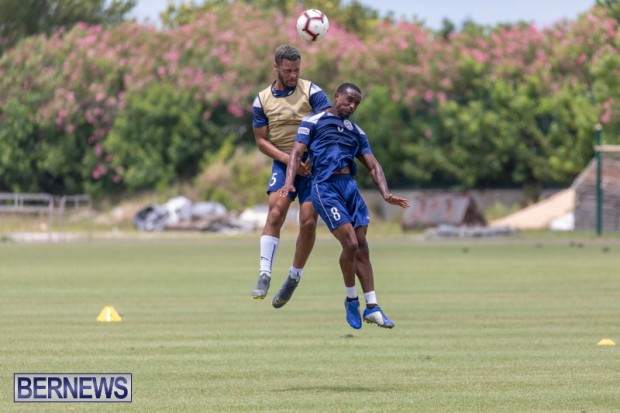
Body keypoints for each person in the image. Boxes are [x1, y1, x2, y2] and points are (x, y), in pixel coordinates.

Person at [278, 83, 410, 329]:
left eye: (356, 103)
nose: (352, 106)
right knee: (350, 243)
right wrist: (288, 183)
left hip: (349, 187)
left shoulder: (356, 131)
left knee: (362, 246)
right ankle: (351, 299)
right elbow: (296, 154)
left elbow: (373, 165)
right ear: (336, 96)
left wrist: (385, 193)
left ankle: (372, 307)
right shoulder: (313, 121)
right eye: (349, 100)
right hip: (325, 186)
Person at [250, 44, 331, 308]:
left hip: (312, 164)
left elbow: (328, 125)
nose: (293, 75)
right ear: (275, 67)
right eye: (288, 70)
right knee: (275, 212)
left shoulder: (312, 92)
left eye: (297, 70)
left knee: (307, 221)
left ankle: (294, 277)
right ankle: (264, 274)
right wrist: (289, 160)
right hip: (284, 162)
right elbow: (261, 142)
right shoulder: (262, 100)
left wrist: (311, 157)